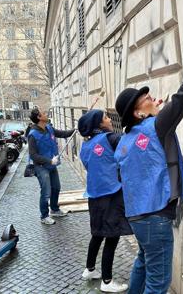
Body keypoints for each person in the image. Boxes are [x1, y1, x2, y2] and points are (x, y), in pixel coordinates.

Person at [114, 21, 183, 293]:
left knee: (143, 264)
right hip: (156, 217)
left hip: (136, 217)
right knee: (158, 284)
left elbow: (126, 172)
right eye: (145, 98)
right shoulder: (155, 127)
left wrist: (157, 115)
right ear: (138, 112)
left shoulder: (125, 141)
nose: (152, 97)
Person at [78, 109, 132, 293]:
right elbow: (128, 146)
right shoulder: (111, 138)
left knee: (98, 233)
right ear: (100, 124)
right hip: (111, 195)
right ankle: (107, 281)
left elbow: (88, 166)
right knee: (111, 235)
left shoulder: (85, 146)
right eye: (106, 117)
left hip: (94, 196)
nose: (110, 120)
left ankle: (90, 269)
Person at [28, 108, 75, 225]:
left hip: (51, 165)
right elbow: (33, 155)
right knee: (46, 191)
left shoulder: (49, 128)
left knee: (56, 187)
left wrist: (75, 130)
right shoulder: (32, 135)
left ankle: (54, 209)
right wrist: (49, 160)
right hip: (41, 166)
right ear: (39, 117)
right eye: (43, 113)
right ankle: (44, 216)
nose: (46, 114)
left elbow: (61, 133)